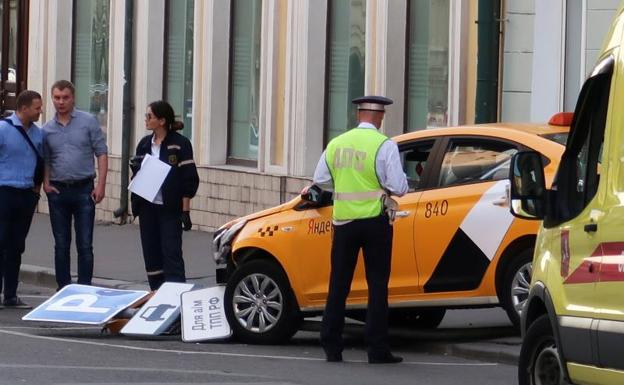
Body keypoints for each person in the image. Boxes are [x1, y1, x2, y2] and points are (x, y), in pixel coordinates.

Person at [310, 95, 408, 364]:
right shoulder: (383, 145)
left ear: (359, 115)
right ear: (379, 117)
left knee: (338, 284)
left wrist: (342, 185)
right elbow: (399, 186)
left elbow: (320, 179)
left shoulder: (337, 144)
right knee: (377, 286)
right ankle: (377, 349)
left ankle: (331, 346)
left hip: (343, 223)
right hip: (375, 222)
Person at [42, 80, 109, 290]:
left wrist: (101, 186)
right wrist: (45, 183)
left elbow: (101, 153)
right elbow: (45, 159)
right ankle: (63, 289)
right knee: (61, 244)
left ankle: (84, 287)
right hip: (58, 190)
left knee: (85, 244)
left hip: (84, 189)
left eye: (65, 97)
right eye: (57, 98)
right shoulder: (47, 129)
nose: (60, 102)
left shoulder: (88, 122)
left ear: (73, 98)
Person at [130, 100, 199, 290]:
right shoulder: (144, 144)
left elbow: (189, 178)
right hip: (148, 208)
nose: (146, 120)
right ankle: (156, 295)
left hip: (169, 208)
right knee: (151, 254)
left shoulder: (180, 144)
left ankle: (176, 297)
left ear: (161, 121)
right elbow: (137, 175)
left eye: (149, 116)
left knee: (171, 253)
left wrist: (185, 210)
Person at [0, 90, 45, 308]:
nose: (40, 111)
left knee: (17, 246)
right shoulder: (3, 129)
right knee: (1, 243)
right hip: (4, 192)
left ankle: (10, 295)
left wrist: (36, 193)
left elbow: (42, 163)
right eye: (37, 108)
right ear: (24, 108)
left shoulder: (38, 134)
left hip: (26, 194)